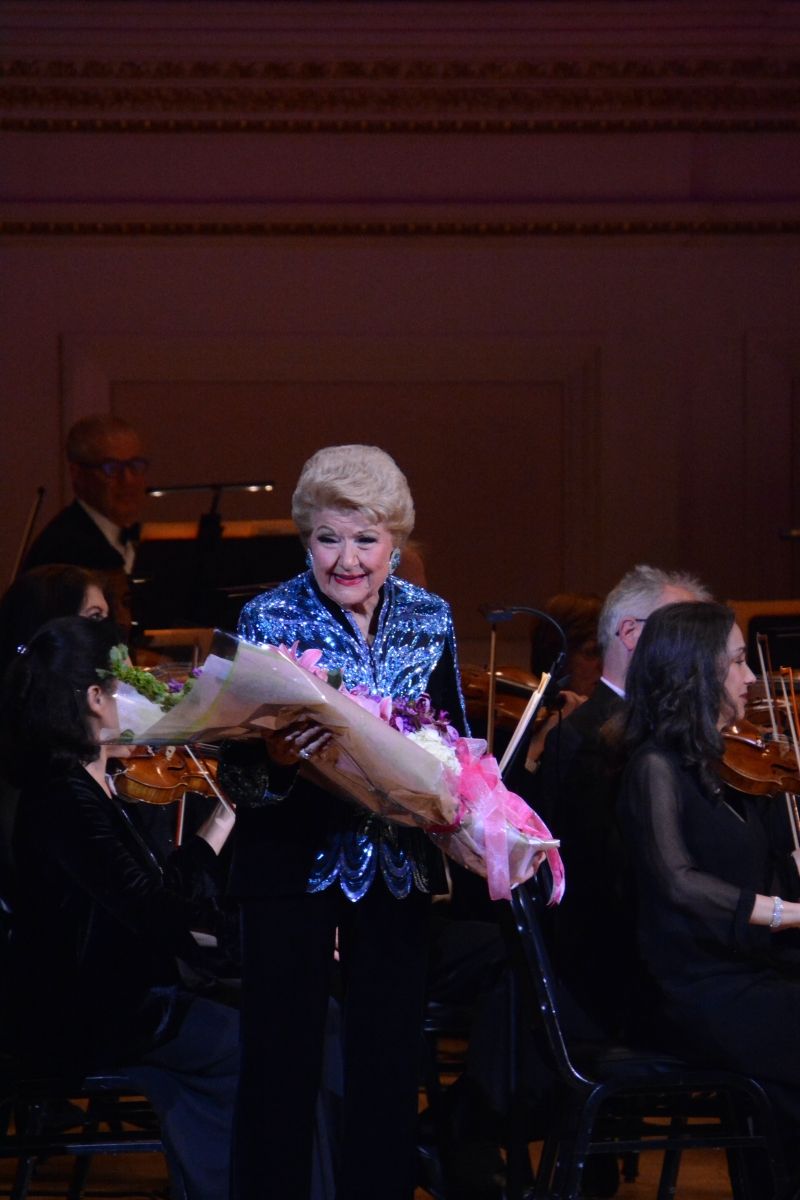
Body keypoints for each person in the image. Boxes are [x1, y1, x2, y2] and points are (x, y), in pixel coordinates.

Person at [221, 444, 468, 1200]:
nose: (348, 558)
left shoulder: (432, 617)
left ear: (395, 540)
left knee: (388, 1071)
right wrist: (283, 762)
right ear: (306, 540)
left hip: (394, 869)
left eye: (366, 539)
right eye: (329, 538)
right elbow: (237, 774)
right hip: (288, 868)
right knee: (280, 1071)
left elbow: (454, 739)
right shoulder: (267, 616)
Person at [0, 616, 239, 1200]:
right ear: (95, 699)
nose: (145, 696)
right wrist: (244, 936)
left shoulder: (90, 785)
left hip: (122, 992)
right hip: (86, 1012)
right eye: (130, 683)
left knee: (266, 1025)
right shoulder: (64, 799)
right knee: (254, 1042)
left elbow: (155, 893)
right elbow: (153, 911)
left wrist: (220, 823)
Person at [617, 601, 800, 1188]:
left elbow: (778, 865)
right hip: (700, 986)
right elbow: (678, 880)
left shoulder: (734, 765)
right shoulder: (654, 768)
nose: (751, 679)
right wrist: (783, 912)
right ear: (696, 671)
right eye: (739, 662)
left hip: (757, 968)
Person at [531, 564, 711, 1041]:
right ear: (631, 633)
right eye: (681, 634)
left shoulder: (655, 730)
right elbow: (602, 885)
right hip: (621, 975)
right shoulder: (589, 737)